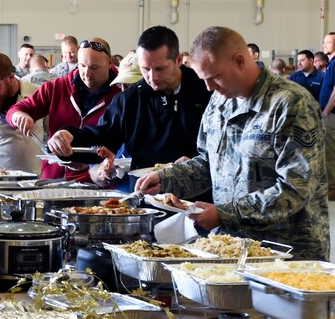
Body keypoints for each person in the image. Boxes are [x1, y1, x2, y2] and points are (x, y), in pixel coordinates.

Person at [136, 26, 329, 261]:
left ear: (240, 61)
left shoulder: (290, 104)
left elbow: (295, 190)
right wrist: (167, 179)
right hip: (231, 250)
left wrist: (224, 214)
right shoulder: (219, 101)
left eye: (214, 77)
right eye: (203, 79)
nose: (208, 88)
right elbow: (209, 163)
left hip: (287, 255)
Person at [47, 26, 212, 187]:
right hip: (147, 196)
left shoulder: (207, 90)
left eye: (160, 69)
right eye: (145, 69)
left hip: (201, 198)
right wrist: (68, 136)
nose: (152, 77)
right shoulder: (130, 99)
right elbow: (101, 136)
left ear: (178, 60)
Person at [7, 38, 121, 182]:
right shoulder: (57, 87)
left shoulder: (121, 95)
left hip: (99, 181)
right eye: (82, 65)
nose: (86, 73)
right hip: (55, 180)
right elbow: (16, 110)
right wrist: (19, 116)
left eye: (94, 67)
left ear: (109, 62)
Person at [317, 32, 335, 196]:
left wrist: (326, 111)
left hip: (331, 115)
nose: (324, 46)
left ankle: (332, 189)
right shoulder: (331, 64)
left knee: (329, 151)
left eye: (328, 42)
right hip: (329, 114)